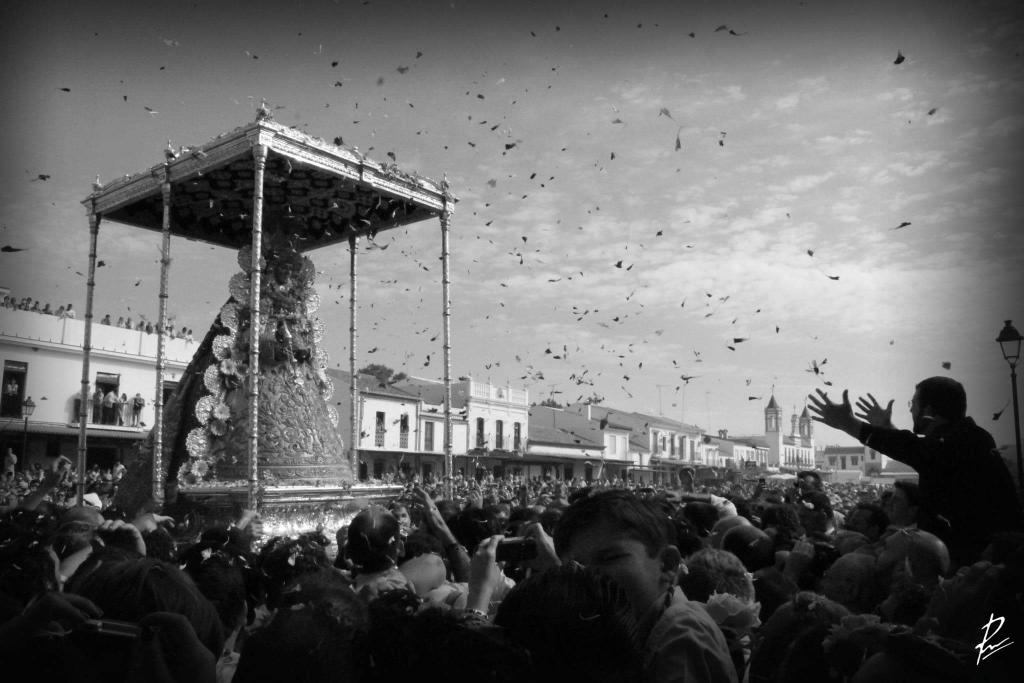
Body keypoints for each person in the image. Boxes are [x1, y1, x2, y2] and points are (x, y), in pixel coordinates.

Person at [808, 377, 1023, 568]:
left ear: (928, 411)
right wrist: (886, 427)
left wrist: (849, 423)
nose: (910, 410)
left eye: (914, 404)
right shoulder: (972, 438)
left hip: (977, 563)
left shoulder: (956, 445)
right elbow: (923, 451)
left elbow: (915, 448)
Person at [553, 489, 738, 682]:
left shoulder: (682, 635)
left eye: (610, 558)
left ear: (667, 564)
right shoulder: (641, 624)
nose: (592, 575)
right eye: (577, 567)